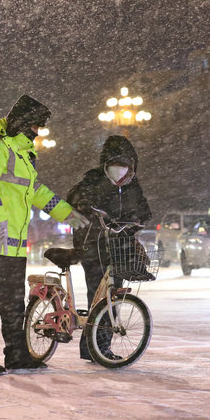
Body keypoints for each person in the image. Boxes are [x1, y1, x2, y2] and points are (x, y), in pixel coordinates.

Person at [0, 94, 89, 375]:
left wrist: (66, 213)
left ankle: (16, 355)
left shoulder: (22, 151)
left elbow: (35, 191)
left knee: (13, 301)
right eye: (34, 126)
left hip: (14, 240)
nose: (37, 132)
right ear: (21, 122)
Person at [66, 135, 152, 362]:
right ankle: (97, 348)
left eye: (125, 165)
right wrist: (86, 204)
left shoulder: (132, 185)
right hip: (92, 245)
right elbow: (73, 197)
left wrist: (138, 218)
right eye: (116, 163)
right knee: (100, 298)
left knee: (110, 299)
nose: (120, 170)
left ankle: (95, 347)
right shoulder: (93, 179)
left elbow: (143, 209)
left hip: (118, 245)